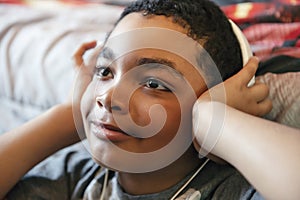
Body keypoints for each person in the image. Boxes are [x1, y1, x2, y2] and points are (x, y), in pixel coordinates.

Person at [0, 0, 299, 199]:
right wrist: (68, 115)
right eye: (105, 71)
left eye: (153, 83)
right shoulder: (78, 179)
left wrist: (213, 120)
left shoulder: (233, 189)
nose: (108, 97)